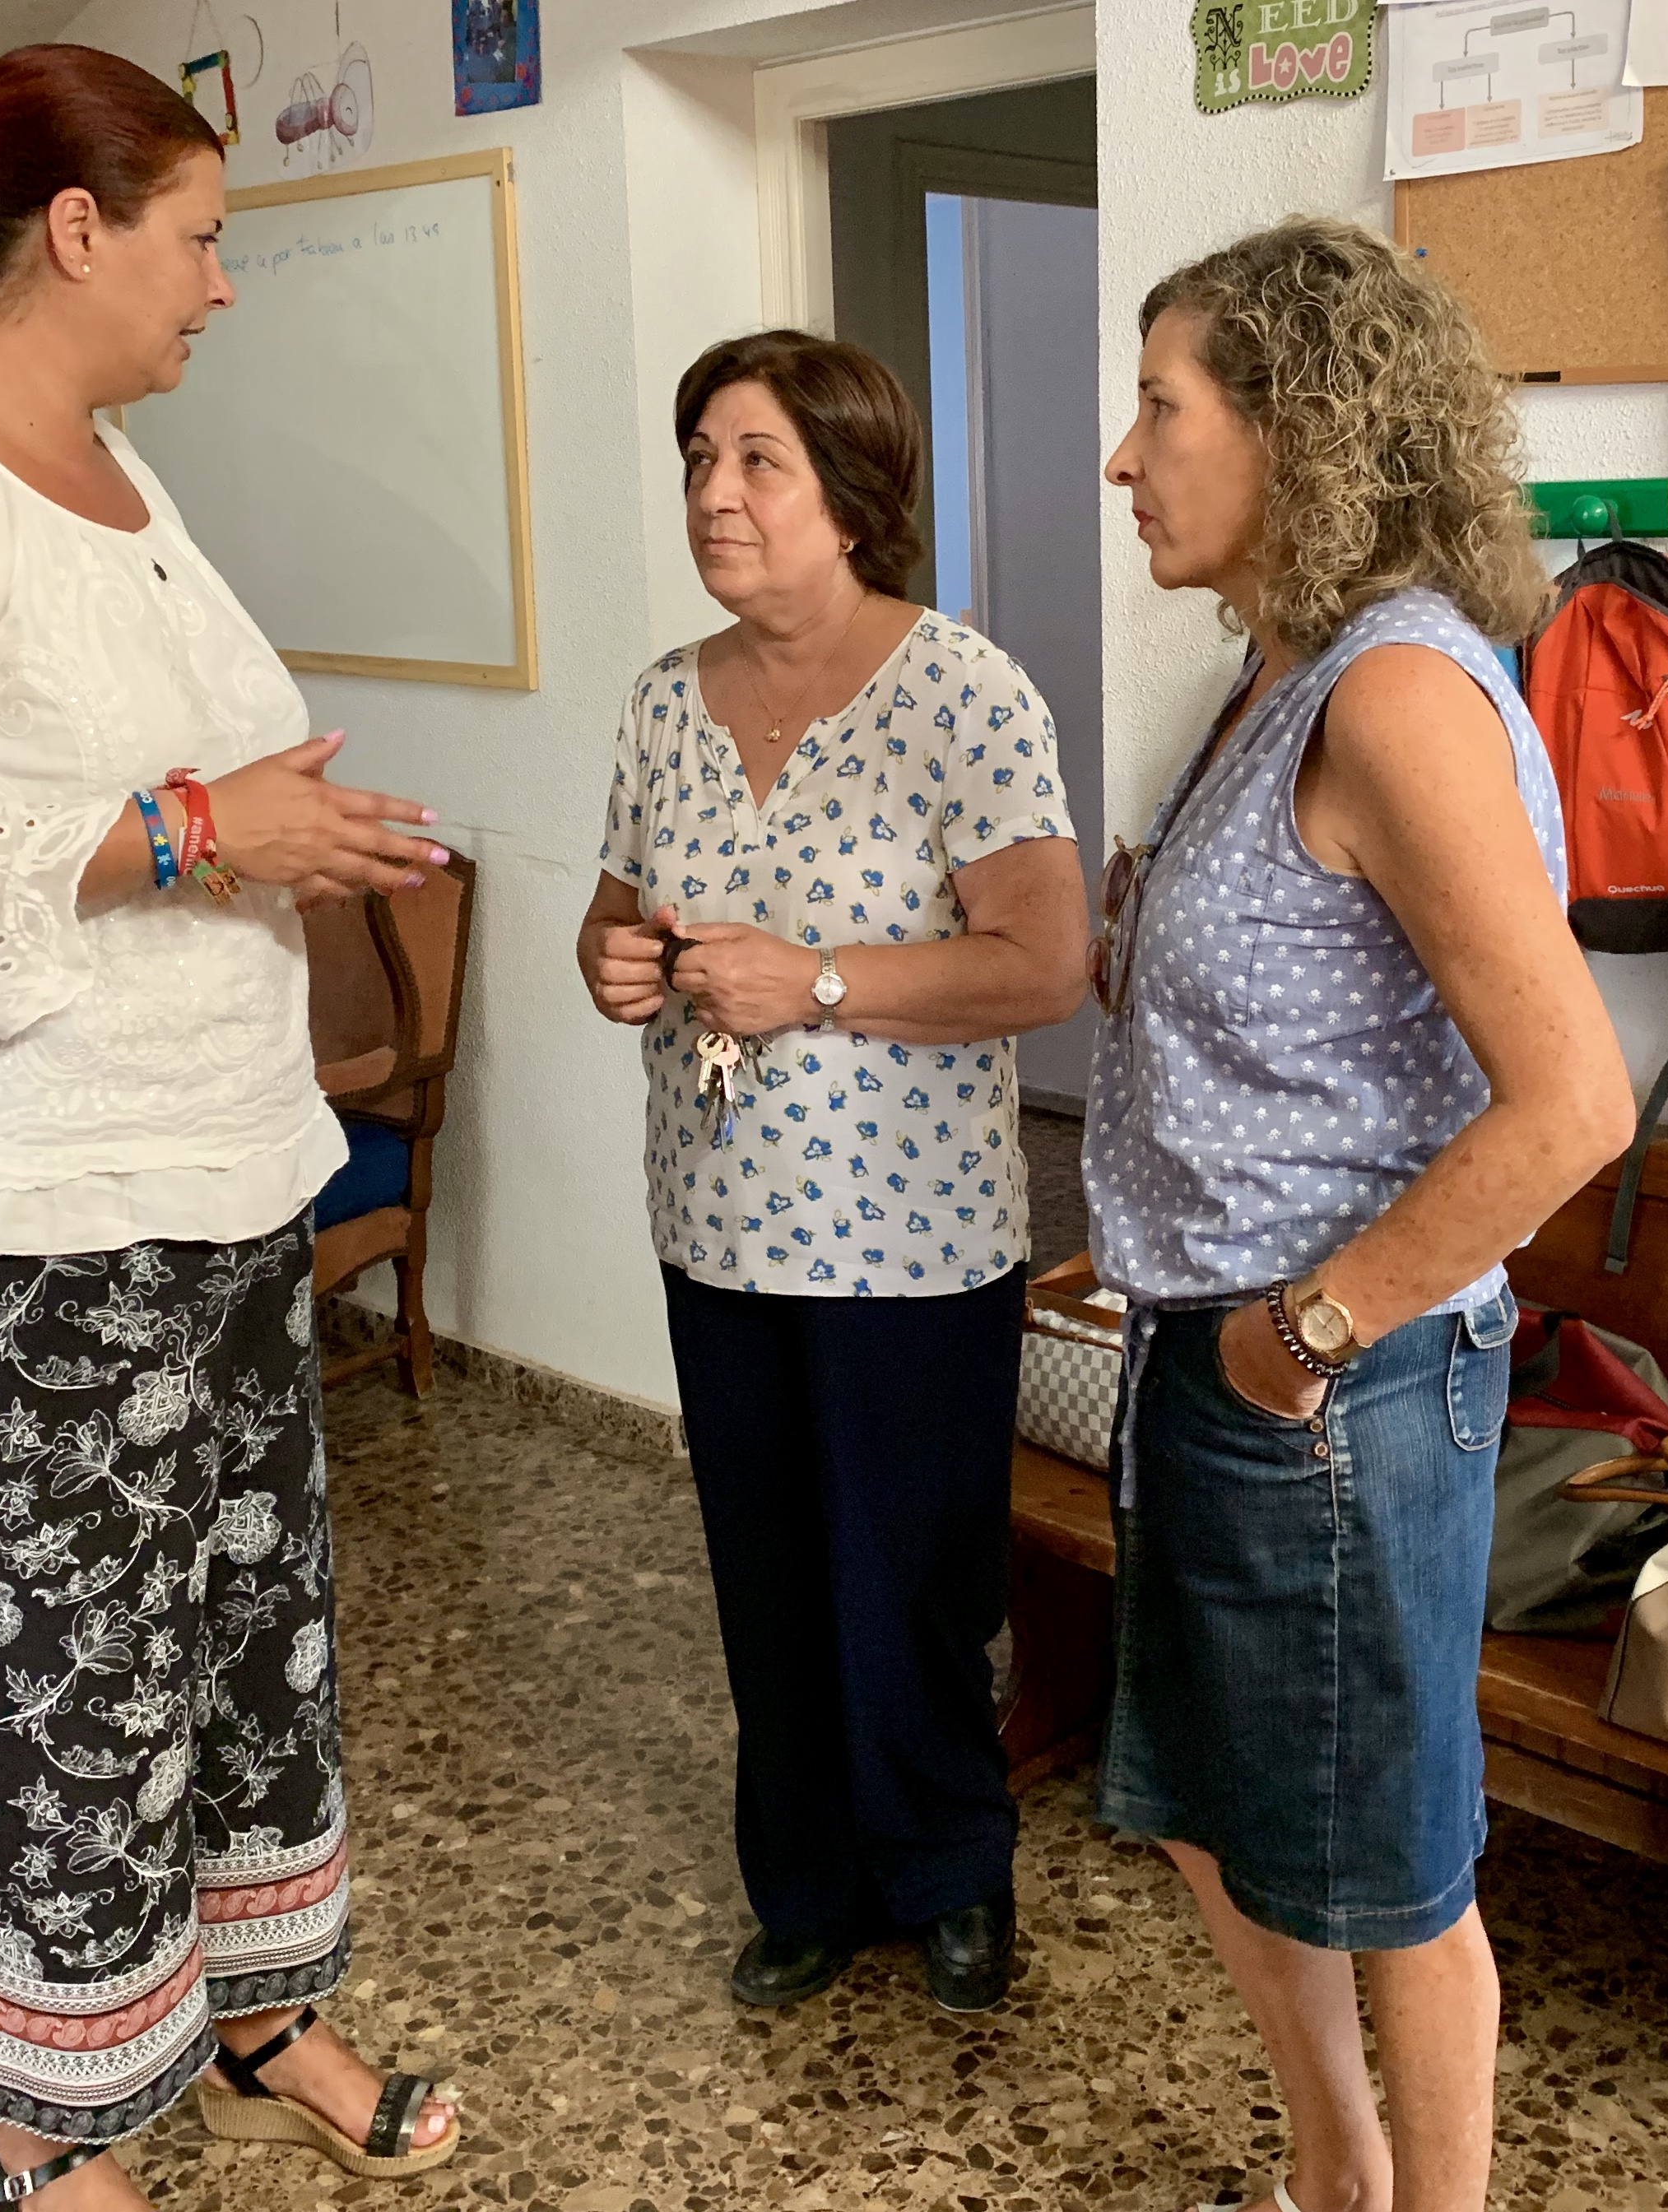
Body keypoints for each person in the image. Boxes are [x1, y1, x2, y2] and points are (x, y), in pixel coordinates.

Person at [0, 45, 464, 2210]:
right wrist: (205, 828)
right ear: (75, 232)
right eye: (201, 239)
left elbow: (136, 786)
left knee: (244, 1644)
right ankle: (45, 2141)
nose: (221, 284)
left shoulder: (120, 471)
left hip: (210, 1176)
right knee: (51, 1699)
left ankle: (257, 2019)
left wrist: (260, 824)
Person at [1084, 219, 1638, 2212]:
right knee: (1220, 1816)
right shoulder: (1273, 672)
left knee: (1392, 1874)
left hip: (1336, 1380)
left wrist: (1300, 1336)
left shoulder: (1393, 693)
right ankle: (1341, 2167)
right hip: (1216, 1349)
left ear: (1298, 429)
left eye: (1161, 408)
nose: (1125, 456)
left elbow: (1573, 1101)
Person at [572, 331, 1087, 2016]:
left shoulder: (963, 695)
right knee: (769, 1572)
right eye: (699, 460)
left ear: (850, 495)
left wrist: (820, 980)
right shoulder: (666, 699)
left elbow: (1043, 963)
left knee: (912, 1580)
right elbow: (611, 912)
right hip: (717, 1227)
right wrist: (615, 963)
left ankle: (950, 1869)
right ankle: (804, 1882)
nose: (713, 495)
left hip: (909, 1247)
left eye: (755, 461)